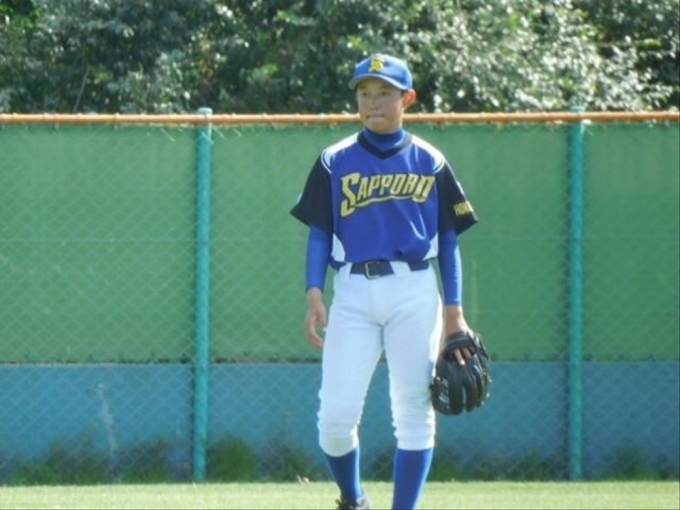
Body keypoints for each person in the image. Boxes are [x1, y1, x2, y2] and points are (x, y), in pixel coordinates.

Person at [289, 53, 479, 510]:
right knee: (335, 418)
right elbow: (320, 233)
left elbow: (448, 241)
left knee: (413, 411)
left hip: (414, 289)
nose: (372, 102)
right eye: (364, 93)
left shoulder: (429, 160)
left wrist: (454, 313)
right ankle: (353, 498)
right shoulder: (334, 160)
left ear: (407, 98)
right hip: (352, 290)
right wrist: (314, 291)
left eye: (384, 93)